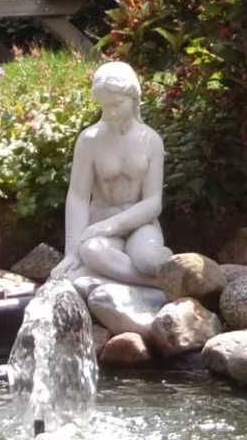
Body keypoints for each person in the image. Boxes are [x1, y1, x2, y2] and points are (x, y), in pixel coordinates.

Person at [60, 61, 171, 286]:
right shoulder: (89, 140)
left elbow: (153, 202)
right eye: (105, 106)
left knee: (149, 259)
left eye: (117, 104)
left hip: (140, 223)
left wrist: (114, 224)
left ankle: (148, 276)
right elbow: (78, 196)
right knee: (92, 250)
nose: (110, 112)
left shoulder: (151, 140)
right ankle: (157, 284)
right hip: (100, 223)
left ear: (134, 98)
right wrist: (71, 253)